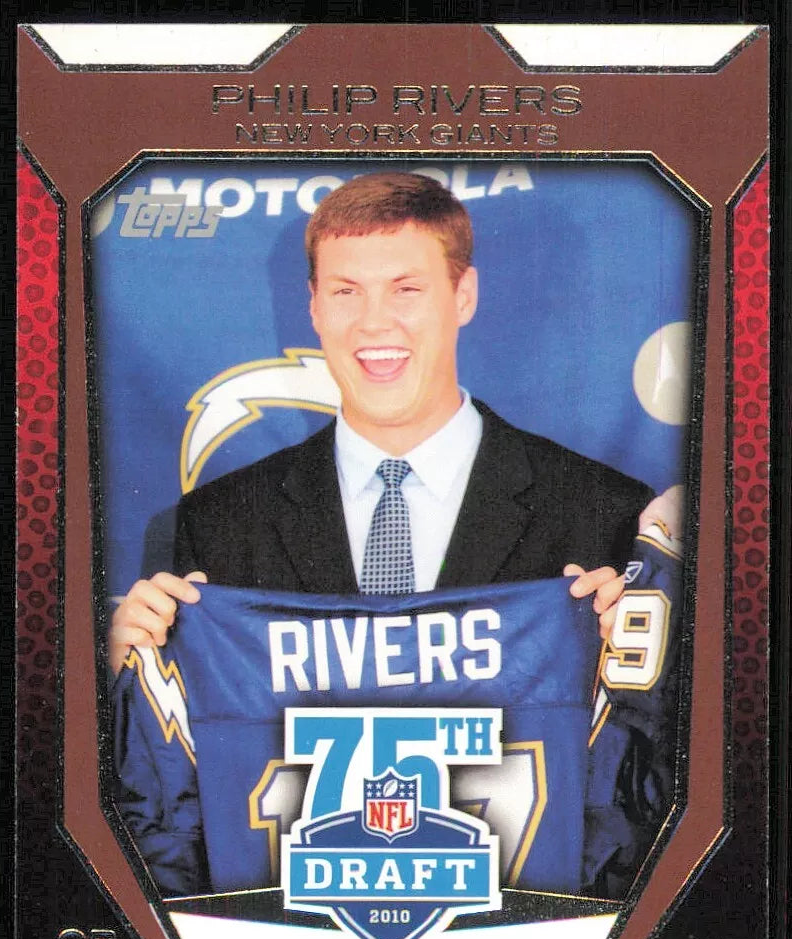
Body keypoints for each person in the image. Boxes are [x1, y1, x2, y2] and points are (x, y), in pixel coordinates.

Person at [110, 172, 663, 674]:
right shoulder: (213, 526)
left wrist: (641, 670)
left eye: (406, 289)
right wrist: (124, 675)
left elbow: (650, 740)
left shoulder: (607, 516)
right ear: (314, 307)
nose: (374, 323)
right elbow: (170, 738)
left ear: (464, 296)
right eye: (346, 292)